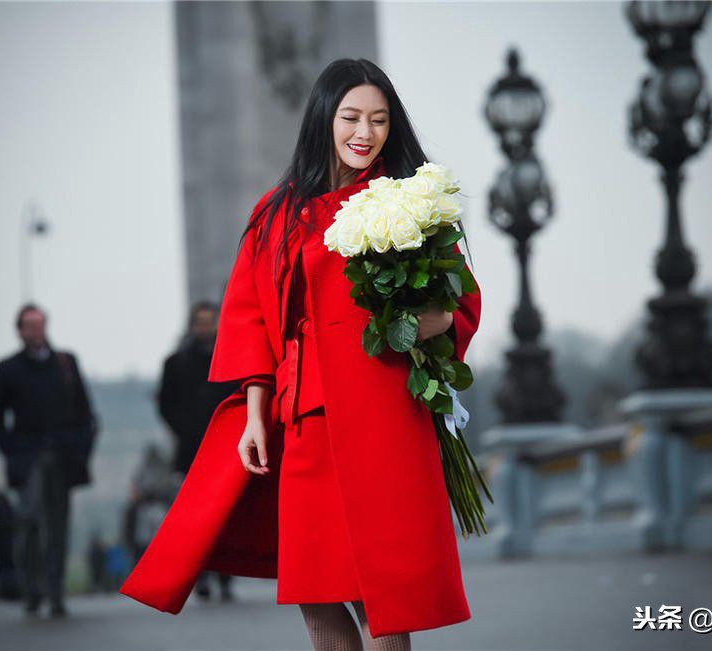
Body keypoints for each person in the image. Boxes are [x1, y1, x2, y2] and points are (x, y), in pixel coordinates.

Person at [120, 58, 482, 650]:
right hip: (305, 419)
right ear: (323, 119)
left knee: (382, 592)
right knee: (316, 589)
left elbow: (458, 300)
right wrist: (255, 416)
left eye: (379, 120)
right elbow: (250, 319)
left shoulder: (408, 201)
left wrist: (424, 323)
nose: (365, 133)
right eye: (351, 117)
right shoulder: (276, 213)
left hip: (386, 413)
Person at [0, 303, 99, 618]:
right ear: (20, 331)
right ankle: (32, 590)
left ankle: (55, 593)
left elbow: (86, 413)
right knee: (29, 523)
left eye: (40, 324)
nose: (36, 330)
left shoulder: (65, 363)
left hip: (61, 456)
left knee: (58, 528)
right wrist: (12, 450)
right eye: (30, 325)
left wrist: (81, 448)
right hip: (28, 457)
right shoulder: (8, 369)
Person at [156, 301, 239, 601]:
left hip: (226, 447)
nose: (206, 328)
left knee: (226, 515)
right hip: (191, 449)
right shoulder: (175, 363)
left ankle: (225, 576)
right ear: (192, 326)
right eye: (201, 322)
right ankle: (200, 575)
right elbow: (165, 404)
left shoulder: (232, 357)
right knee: (194, 518)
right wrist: (185, 429)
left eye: (210, 321)